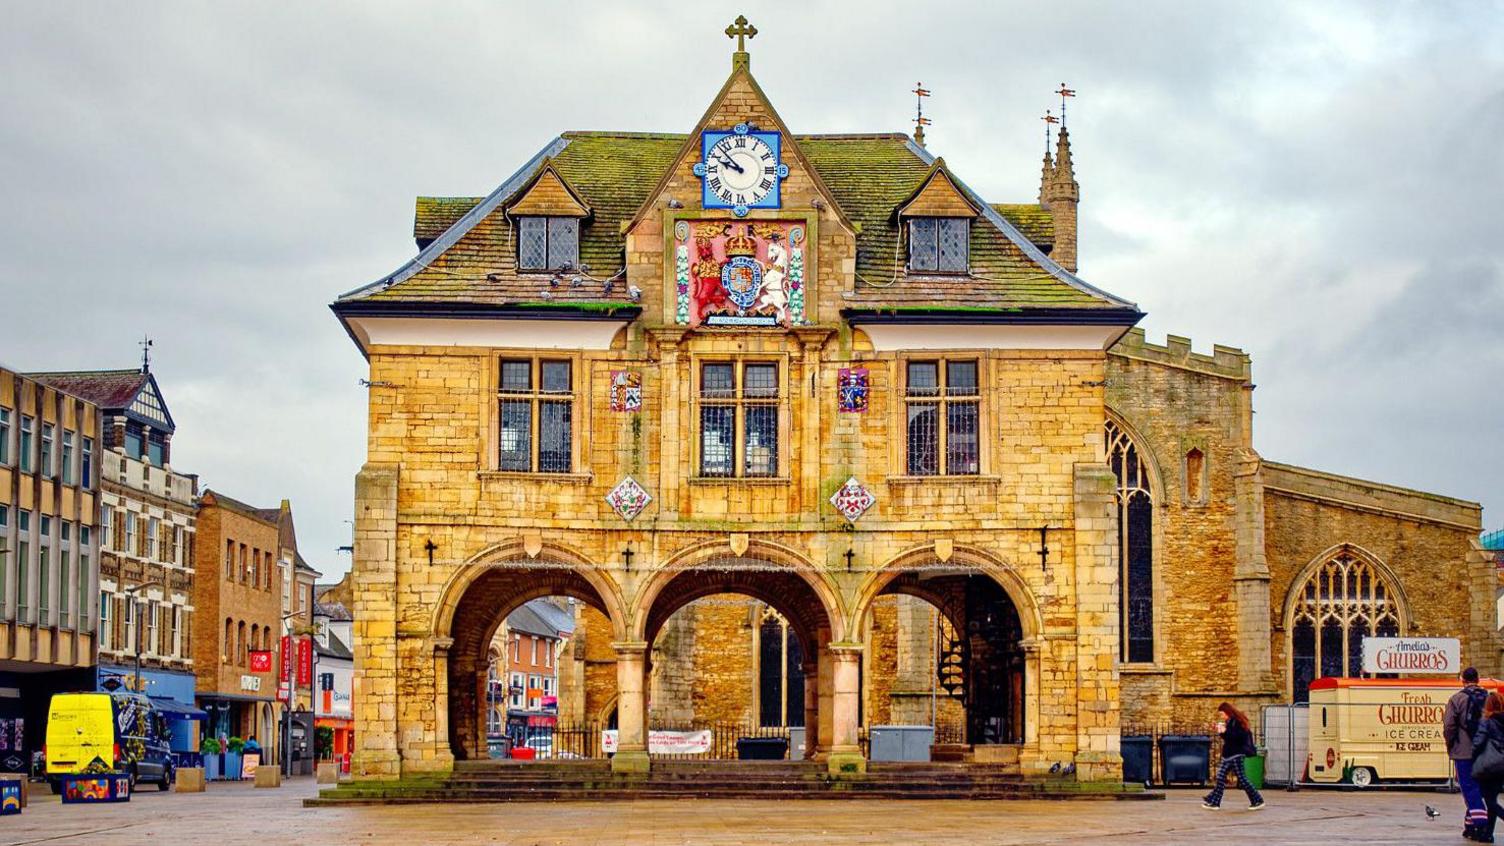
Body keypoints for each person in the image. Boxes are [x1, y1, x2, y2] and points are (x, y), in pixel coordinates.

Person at [1445, 667, 1491, 839]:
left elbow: (1449, 726)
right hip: (1485, 751)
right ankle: (1470, 826)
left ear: (1462, 679)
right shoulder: (1489, 698)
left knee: (1469, 788)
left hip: (1463, 750)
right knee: (1478, 789)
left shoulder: (1456, 699)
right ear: (1478, 679)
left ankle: (1481, 826)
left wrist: (1450, 745)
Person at [1202, 702, 1265, 811]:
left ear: (1227, 712)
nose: (1222, 716)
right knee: (1221, 778)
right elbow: (1228, 738)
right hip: (1229, 754)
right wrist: (1221, 732)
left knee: (1242, 779)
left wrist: (1225, 731)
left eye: (1222, 714)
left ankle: (1257, 800)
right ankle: (1214, 802)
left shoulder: (1237, 722)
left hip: (1236, 754)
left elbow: (1238, 737)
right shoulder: (1229, 721)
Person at [1473, 692, 1504, 843]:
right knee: (1493, 798)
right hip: (1502, 765)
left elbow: (1479, 741)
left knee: (1489, 799)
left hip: (1489, 764)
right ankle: (1488, 833)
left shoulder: (1486, 720)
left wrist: (1472, 755)